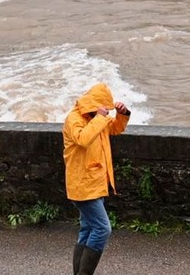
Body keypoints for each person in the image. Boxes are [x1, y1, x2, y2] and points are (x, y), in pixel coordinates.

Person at [62, 83, 131, 275]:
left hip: (95, 183)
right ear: (93, 104)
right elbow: (83, 139)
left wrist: (122, 114)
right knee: (102, 229)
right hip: (82, 186)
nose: (106, 112)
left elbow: (115, 128)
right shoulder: (74, 119)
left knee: (87, 229)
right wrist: (100, 118)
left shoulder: (97, 118)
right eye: (104, 108)